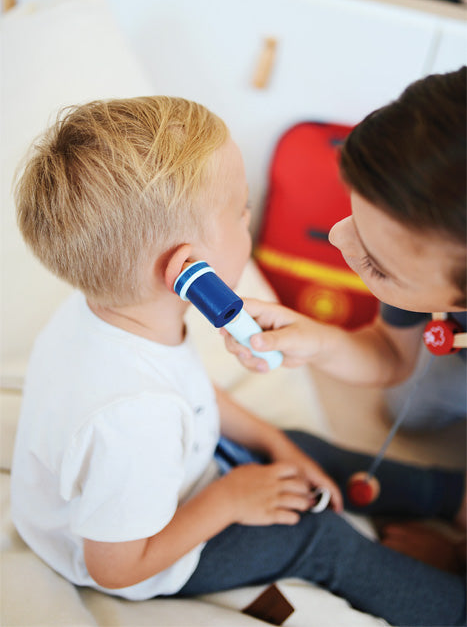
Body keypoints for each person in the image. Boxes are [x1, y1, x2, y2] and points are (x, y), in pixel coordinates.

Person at [11, 95, 465, 627]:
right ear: (189, 269)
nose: (250, 217)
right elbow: (114, 566)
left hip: (184, 474)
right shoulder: (133, 418)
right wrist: (229, 500)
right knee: (317, 538)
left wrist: (271, 443)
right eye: (243, 210)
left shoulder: (108, 311)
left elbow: (192, 393)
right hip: (152, 556)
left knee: (298, 443)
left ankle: (450, 496)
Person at [223, 68, 467, 589]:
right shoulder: (433, 222)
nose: (339, 240)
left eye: (377, 266)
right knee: (407, 408)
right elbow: (390, 355)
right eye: (349, 211)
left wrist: (458, 555)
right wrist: (318, 340)